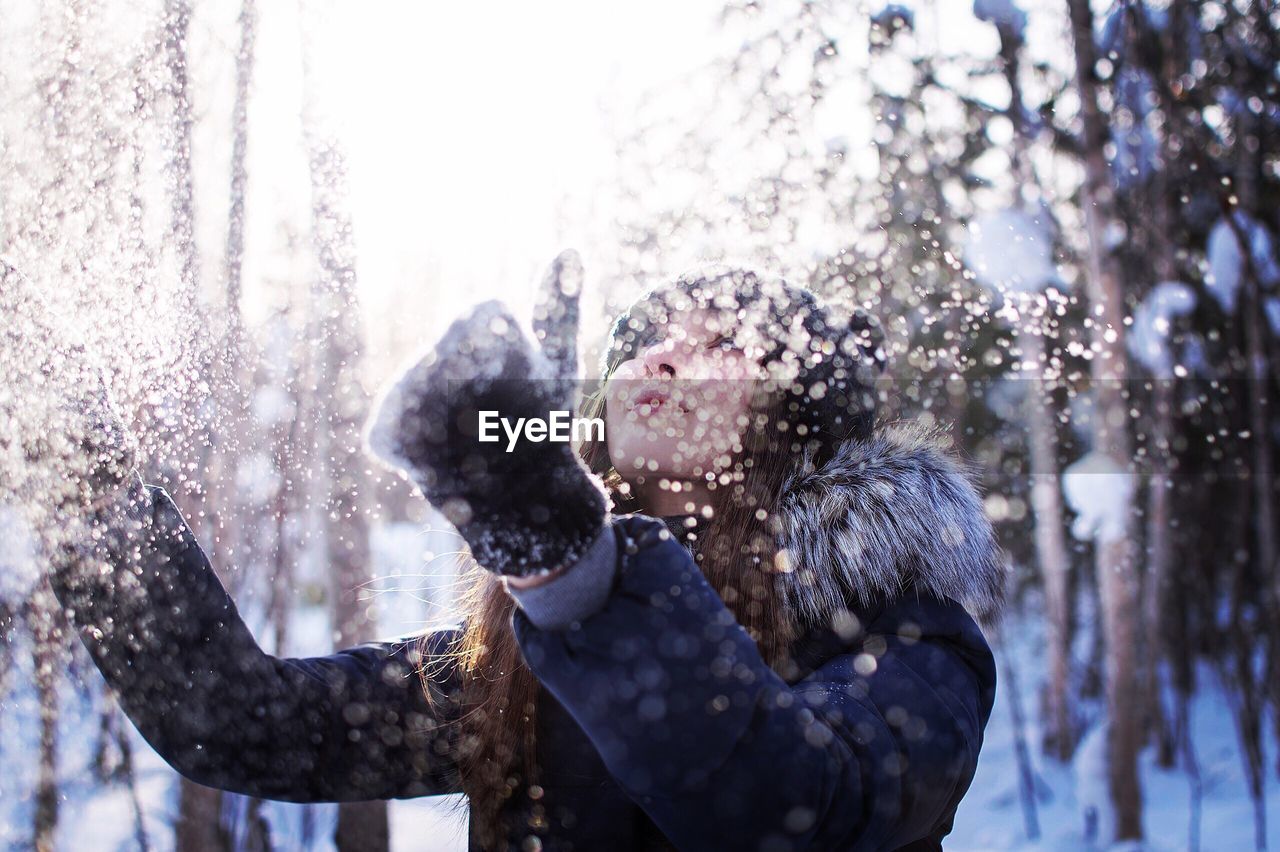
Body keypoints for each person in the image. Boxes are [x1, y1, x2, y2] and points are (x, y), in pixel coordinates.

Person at [48, 254, 1004, 851]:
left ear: (795, 419)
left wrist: (572, 569)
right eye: (648, 340)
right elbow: (236, 718)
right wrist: (81, 479)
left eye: (719, 343)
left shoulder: (906, 641)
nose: (659, 357)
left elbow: (786, 811)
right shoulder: (516, 661)